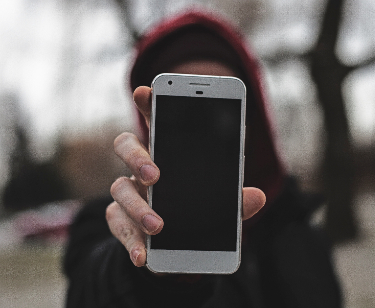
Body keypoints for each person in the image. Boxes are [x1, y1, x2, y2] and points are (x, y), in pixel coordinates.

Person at [64, 10, 342, 307]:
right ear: (151, 121)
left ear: (252, 117)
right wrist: (143, 268)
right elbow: (90, 289)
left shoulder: (301, 228)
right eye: (186, 113)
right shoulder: (103, 220)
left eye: (218, 109)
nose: (203, 129)